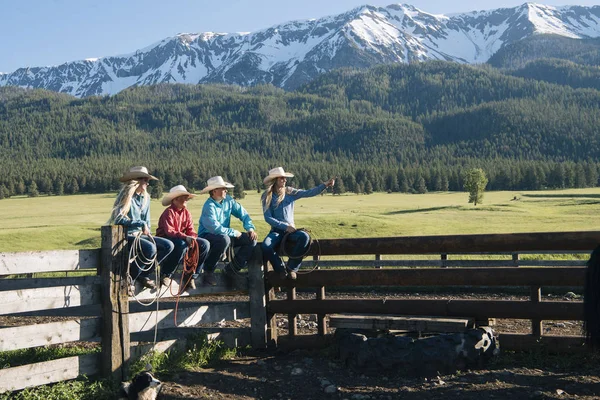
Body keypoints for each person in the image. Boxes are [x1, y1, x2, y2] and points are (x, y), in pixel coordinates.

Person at [261, 167, 335, 280]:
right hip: (277, 231)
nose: (285, 180)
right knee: (266, 246)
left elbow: (308, 193)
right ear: (275, 180)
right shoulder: (267, 196)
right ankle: (280, 269)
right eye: (282, 178)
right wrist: (285, 226)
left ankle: (292, 268)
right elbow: (268, 218)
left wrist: (324, 185)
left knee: (305, 237)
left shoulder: (290, 192)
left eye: (285, 178)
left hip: (291, 232)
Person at [108, 166, 174, 290]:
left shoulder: (145, 198)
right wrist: (140, 223)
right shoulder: (125, 197)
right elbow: (118, 219)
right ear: (136, 180)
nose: (147, 183)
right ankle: (130, 278)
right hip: (126, 235)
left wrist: (146, 228)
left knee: (168, 246)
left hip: (140, 235)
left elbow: (146, 221)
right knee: (150, 248)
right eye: (145, 180)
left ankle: (144, 274)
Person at [198, 176, 257, 286]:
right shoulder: (208, 206)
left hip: (224, 235)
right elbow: (215, 228)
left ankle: (231, 269)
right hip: (208, 235)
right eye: (223, 188)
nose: (226, 190)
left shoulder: (228, 200)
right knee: (224, 239)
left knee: (251, 240)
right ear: (214, 191)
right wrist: (234, 232)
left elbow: (242, 213)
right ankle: (208, 272)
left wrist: (249, 228)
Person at [156, 185, 210, 291]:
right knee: (181, 245)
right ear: (176, 199)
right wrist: (186, 237)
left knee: (204, 244)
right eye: (184, 197)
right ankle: (166, 274)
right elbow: (170, 232)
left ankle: (192, 275)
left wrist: (192, 237)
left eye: (186, 197)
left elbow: (191, 229)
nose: (186, 200)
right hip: (167, 240)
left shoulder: (186, 213)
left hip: (180, 238)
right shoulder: (169, 212)